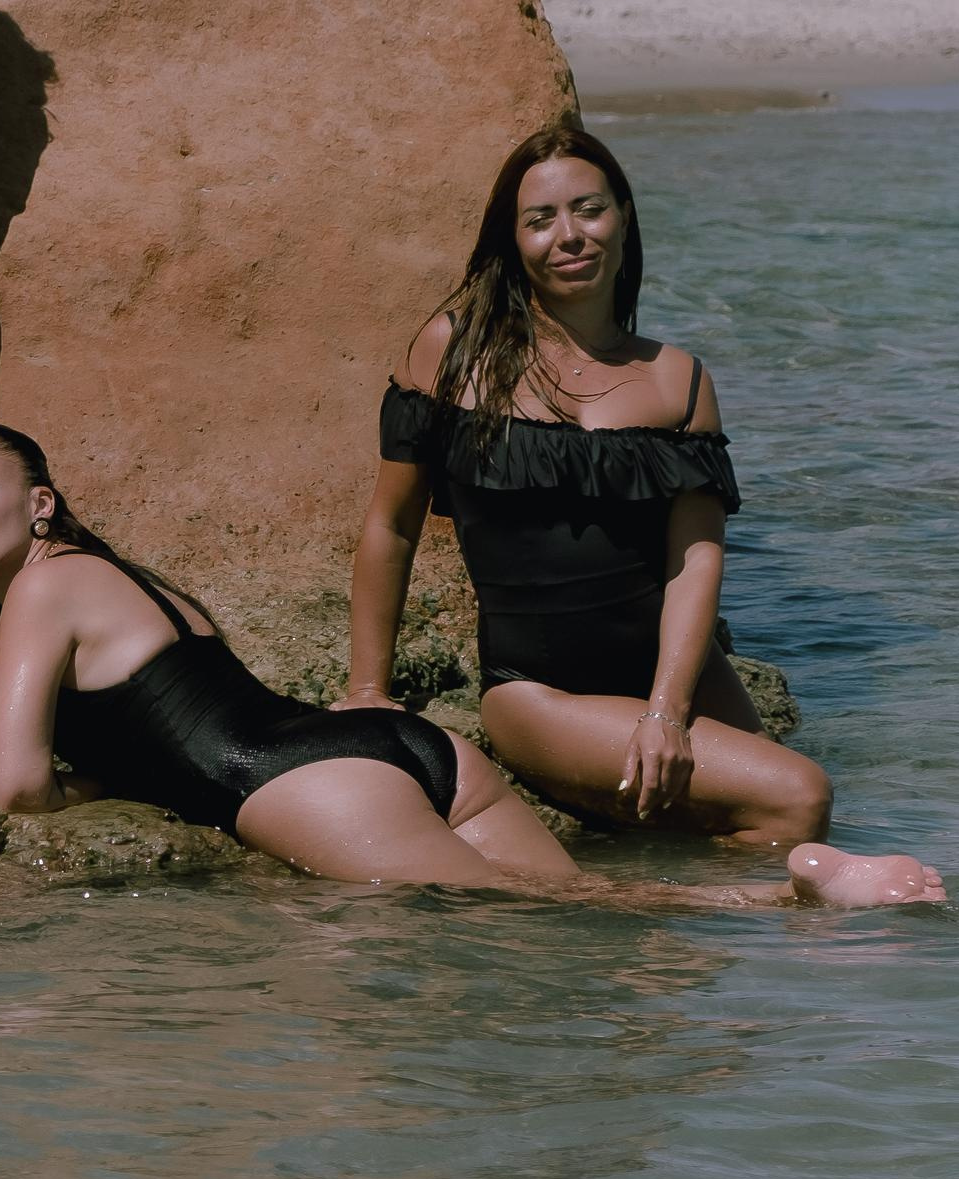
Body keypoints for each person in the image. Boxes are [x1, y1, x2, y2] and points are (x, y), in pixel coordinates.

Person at [0, 427, 944, 908]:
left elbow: (9, 787)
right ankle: (777, 908)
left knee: (560, 918)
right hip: (410, 751)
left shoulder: (45, 592)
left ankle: (785, 904)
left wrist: (90, 783)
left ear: (39, 504)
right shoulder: (85, 594)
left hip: (302, 787)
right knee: (570, 907)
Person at [346, 120, 844, 850]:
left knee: (789, 830)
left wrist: (666, 712)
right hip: (537, 692)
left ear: (623, 218)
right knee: (801, 797)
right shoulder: (449, 354)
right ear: (512, 240)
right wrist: (367, 691)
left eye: (589, 209)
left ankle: (637, 921)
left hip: (677, 677)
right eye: (541, 220)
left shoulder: (681, 380)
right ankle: (630, 909)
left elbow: (694, 563)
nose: (569, 235)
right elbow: (392, 527)